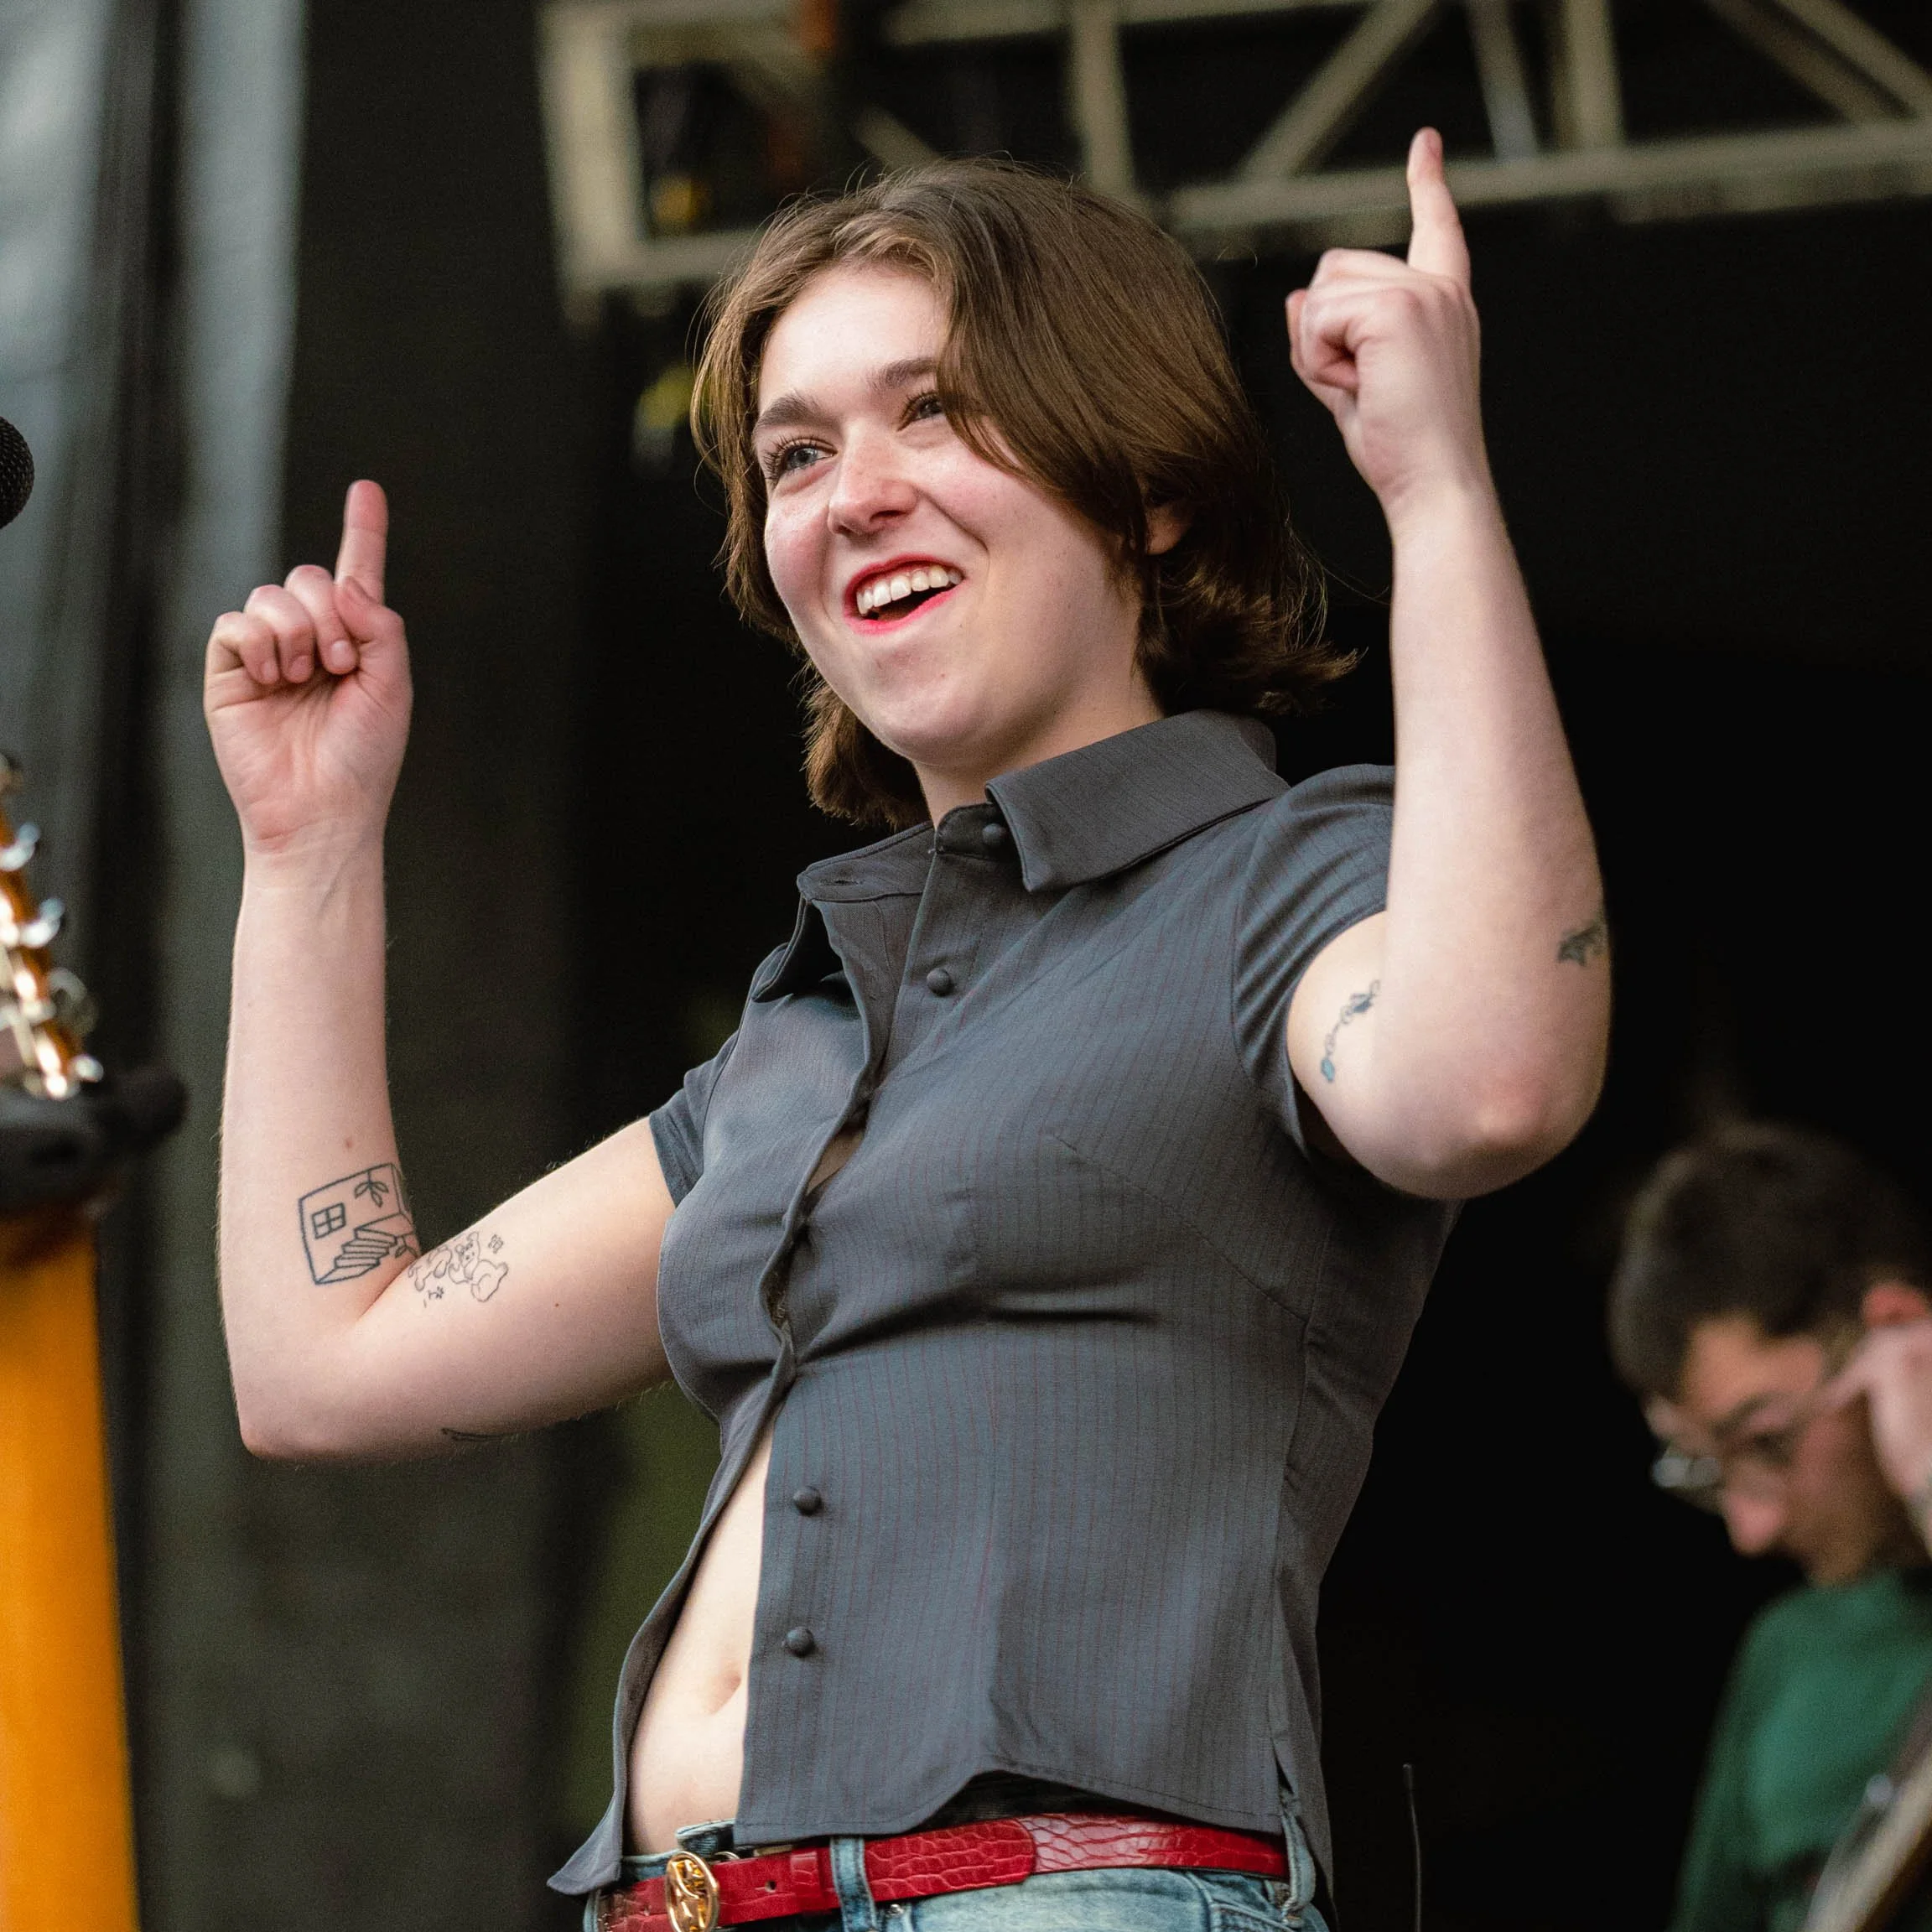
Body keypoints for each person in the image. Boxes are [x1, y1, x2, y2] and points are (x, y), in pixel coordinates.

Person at [204, 132, 1607, 1932]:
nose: (851, 493)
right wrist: (309, 854)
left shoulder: (1284, 884)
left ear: (1146, 491)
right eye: (797, 453)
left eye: (932, 412)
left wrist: (1438, 492)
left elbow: (1488, 1079)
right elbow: (324, 1370)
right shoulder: (803, 1038)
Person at [1611, 1122, 1932, 1932]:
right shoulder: (1788, 1652)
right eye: (1706, 1474)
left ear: (1895, 1330)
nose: (1750, 1531)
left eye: (1766, 1442)